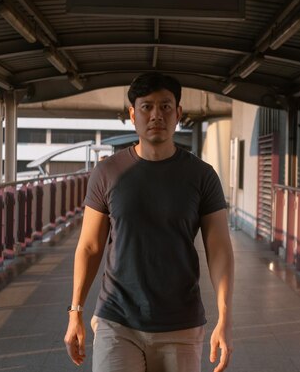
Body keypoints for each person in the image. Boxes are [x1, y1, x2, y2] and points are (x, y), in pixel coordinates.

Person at [64, 72, 234, 372]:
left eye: (166, 106)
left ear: (178, 113)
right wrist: (75, 312)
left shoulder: (201, 175)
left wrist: (224, 317)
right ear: (133, 114)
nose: (157, 114)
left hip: (180, 324)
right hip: (117, 320)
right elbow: (90, 246)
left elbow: (219, 248)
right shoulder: (108, 172)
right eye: (147, 107)